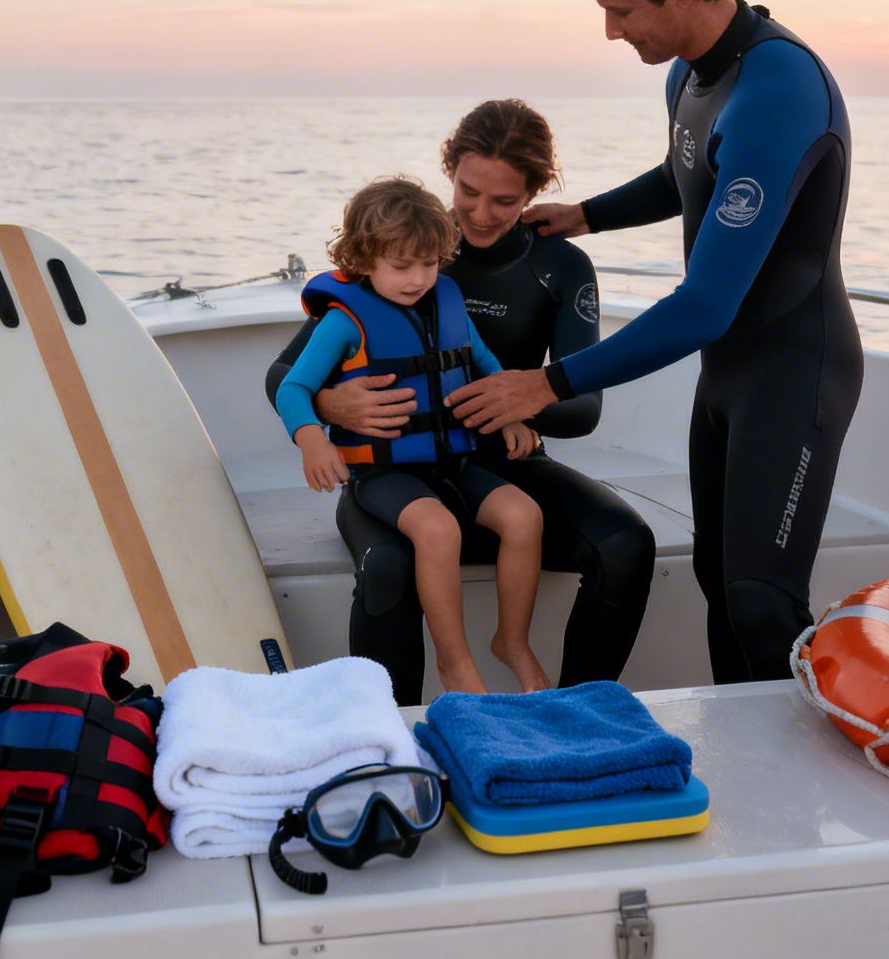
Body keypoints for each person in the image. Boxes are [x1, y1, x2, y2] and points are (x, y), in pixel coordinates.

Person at [446, 0, 863, 685]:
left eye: (623, 10)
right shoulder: (692, 75)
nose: (612, 30)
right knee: (719, 583)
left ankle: (811, 790)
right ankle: (742, 774)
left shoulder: (779, 85)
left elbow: (706, 306)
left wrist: (547, 383)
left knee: (761, 600)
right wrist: (586, 216)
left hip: (793, 372)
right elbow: (690, 174)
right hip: (730, 378)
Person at [267, 100, 655, 705]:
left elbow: (584, 411)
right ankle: (395, 732)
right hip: (394, 469)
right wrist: (333, 408)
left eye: (505, 201)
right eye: (469, 191)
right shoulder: (400, 245)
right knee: (390, 563)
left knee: (627, 542)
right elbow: (284, 376)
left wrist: (519, 403)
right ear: (449, 169)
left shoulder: (559, 267)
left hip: (496, 463)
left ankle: (580, 711)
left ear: (536, 191)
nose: (480, 214)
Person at [275, 176, 551, 695]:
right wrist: (313, 439)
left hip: (454, 462)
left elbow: (483, 363)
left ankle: (512, 642)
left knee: (524, 515)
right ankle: (454, 661)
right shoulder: (343, 321)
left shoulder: (445, 300)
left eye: (429, 264)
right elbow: (293, 387)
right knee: (438, 529)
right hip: (384, 472)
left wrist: (513, 416)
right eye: (401, 267)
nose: (418, 279)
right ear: (362, 258)